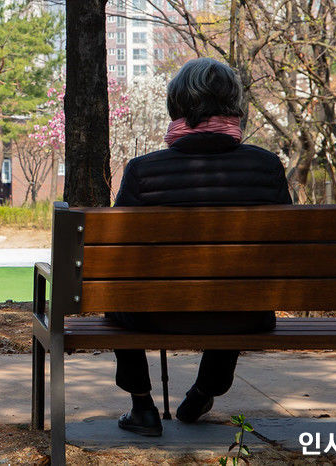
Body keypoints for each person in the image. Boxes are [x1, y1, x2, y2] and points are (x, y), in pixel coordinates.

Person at [112, 57, 292, 437]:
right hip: (245, 314)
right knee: (235, 286)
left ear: (176, 105)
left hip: (155, 315)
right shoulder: (268, 167)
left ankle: (142, 405)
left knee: (118, 288)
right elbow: (279, 251)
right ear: (235, 106)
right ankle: (207, 389)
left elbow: (116, 255)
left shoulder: (143, 171)